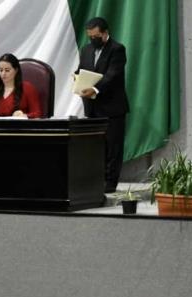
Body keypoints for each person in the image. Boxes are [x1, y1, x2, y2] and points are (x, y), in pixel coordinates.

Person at [75, 17, 129, 193]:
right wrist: (76, 78)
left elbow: (112, 76)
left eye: (96, 36)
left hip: (112, 108)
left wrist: (95, 89)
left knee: (113, 147)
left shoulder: (117, 49)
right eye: (90, 36)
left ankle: (110, 183)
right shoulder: (86, 50)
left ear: (105, 33)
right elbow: (82, 69)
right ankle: (96, 180)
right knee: (95, 147)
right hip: (92, 107)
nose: (93, 40)